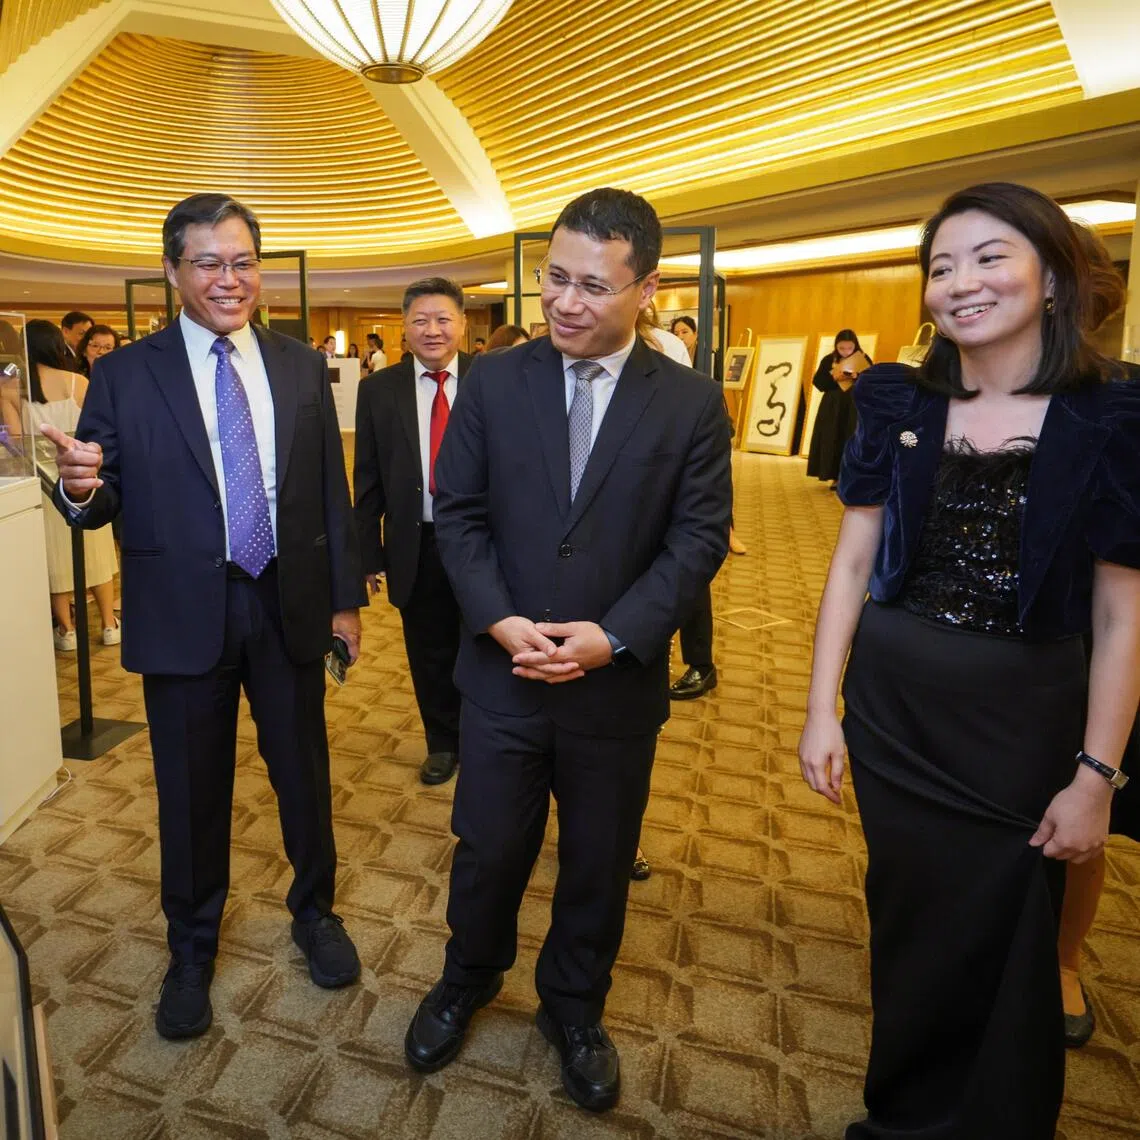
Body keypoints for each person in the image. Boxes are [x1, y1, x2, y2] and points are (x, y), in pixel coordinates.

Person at [798, 181, 1140, 1139]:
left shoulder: (1113, 413)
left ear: (1053, 275)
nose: (961, 283)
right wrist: (823, 708)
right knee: (910, 924)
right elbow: (853, 563)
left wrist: (1097, 776)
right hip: (896, 713)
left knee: (1006, 933)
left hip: (1025, 716)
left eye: (990, 257)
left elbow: (1121, 616)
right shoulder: (897, 398)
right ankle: (900, 1117)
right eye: (941, 266)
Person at [403, 187, 733, 1112]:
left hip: (612, 688)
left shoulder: (691, 405)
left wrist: (615, 636)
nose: (565, 302)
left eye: (593, 285)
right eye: (554, 279)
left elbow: (698, 540)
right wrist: (498, 618)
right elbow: (459, 516)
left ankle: (573, 1007)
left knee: (596, 859)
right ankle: (466, 977)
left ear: (646, 288)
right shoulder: (495, 380)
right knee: (488, 848)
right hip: (503, 673)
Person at [42, 192, 366, 1042]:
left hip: (286, 601)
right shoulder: (122, 373)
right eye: (211, 263)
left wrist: (343, 599)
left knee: (302, 769)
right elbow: (100, 490)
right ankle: (190, 950)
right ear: (174, 272)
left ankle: (316, 912)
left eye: (244, 261)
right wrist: (81, 487)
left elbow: (327, 493)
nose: (232, 279)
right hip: (184, 608)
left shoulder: (297, 365)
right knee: (191, 791)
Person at [354, 278, 471, 786]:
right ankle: (442, 742)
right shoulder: (378, 390)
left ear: (462, 325)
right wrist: (367, 553)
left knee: (488, 645)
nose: (433, 330)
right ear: (404, 328)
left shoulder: (495, 380)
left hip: (484, 543)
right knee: (429, 651)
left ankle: (489, 742)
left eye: (443, 319)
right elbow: (368, 476)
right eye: (421, 320)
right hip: (416, 542)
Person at [26, 319, 120, 650]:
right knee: (96, 553)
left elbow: (12, 441)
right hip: (84, 476)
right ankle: (109, 622)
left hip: (44, 483)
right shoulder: (76, 382)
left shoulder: (16, 390)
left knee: (56, 557)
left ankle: (65, 629)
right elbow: (100, 432)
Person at [806, 329, 871, 486]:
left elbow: (871, 381)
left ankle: (851, 476)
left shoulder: (862, 358)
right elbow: (818, 382)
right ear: (836, 346)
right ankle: (834, 476)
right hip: (833, 405)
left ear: (855, 346)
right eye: (842, 348)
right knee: (832, 437)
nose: (846, 352)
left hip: (854, 405)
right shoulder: (829, 359)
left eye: (849, 348)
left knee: (851, 437)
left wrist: (857, 377)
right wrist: (834, 378)